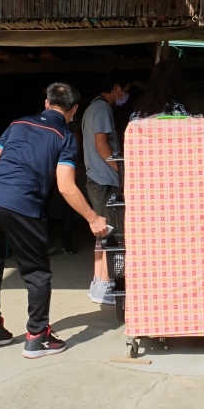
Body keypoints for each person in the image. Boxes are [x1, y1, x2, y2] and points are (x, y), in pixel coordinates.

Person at [0, 82, 107, 359]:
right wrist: (93, 218)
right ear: (75, 110)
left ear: (46, 103)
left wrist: (7, 182)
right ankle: (37, 336)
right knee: (37, 274)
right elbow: (66, 186)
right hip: (22, 205)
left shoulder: (18, 123)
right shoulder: (65, 137)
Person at [81, 72, 130, 305]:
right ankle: (107, 286)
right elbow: (102, 144)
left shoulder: (92, 108)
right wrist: (121, 169)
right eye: (125, 90)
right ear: (117, 87)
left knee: (102, 232)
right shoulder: (102, 109)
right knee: (111, 233)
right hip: (104, 178)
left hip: (95, 178)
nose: (125, 96)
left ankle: (98, 284)